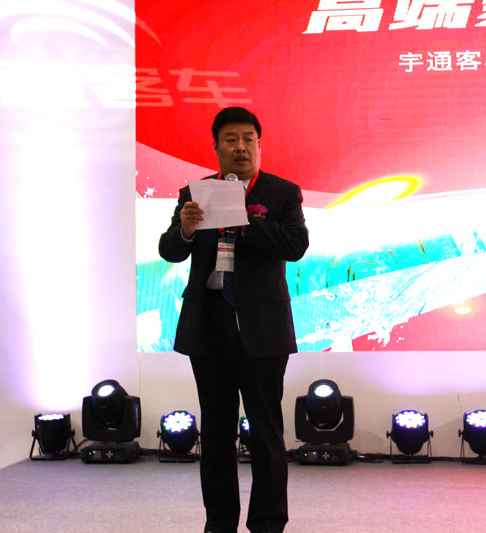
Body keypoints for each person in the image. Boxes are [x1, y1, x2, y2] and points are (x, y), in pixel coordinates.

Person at [158, 107, 309, 533]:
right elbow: (170, 250)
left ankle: (267, 523)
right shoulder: (195, 193)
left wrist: (244, 224)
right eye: (230, 139)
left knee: (266, 430)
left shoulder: (282, 193)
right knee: (217, 431)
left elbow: (296, 245)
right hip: (209, 322)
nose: (240, 147)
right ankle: (220, 522)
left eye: (248, 139)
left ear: (259, 145)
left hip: (262, 325)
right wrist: (186, 230)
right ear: (217, 147)